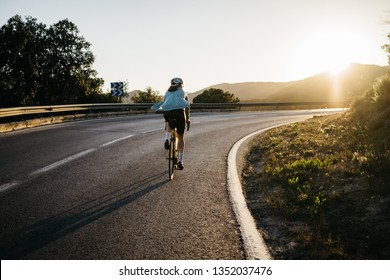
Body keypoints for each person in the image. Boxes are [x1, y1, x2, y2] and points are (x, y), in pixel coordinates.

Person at [151, 77, 190, 170]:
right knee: (180, 136)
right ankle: (180, 161)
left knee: (168, 122)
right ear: (182, 84)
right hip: (179, 113)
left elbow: (165, 103)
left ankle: (167, 139)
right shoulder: (183, 91)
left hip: (167, 112)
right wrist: (188, 118)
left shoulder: (167, 92)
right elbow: (187, 107)